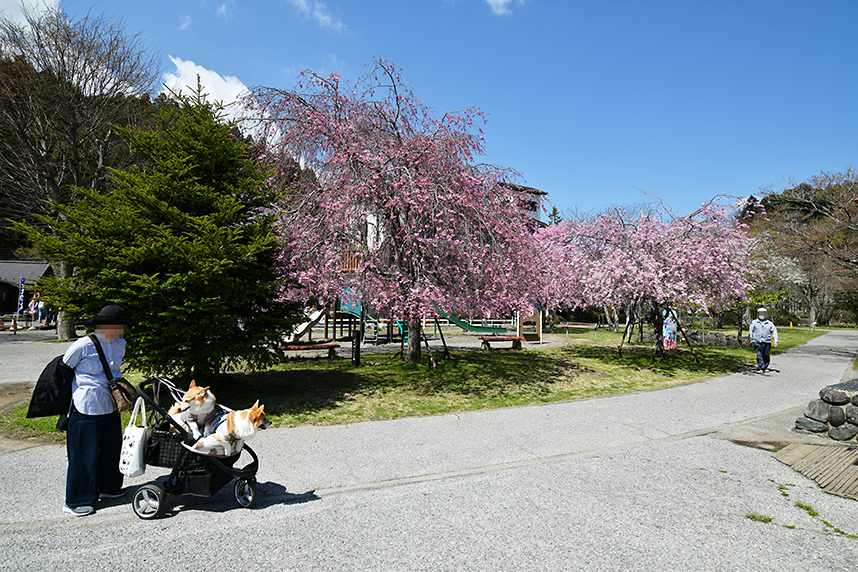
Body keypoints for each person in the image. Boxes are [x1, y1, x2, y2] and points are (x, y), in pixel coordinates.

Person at [62, 304, 130, 516]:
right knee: (84, 453)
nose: (119, 330)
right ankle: (77, 499)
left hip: (111, 403)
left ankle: (109, 486)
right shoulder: (83, 344)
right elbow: (64, 367)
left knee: (111, 448)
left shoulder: (121, 343)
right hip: (86, 404)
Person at [748, 307, 778, 374]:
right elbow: (751, 331)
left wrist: (776, 341)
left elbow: (774, 332)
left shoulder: (769, 323)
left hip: (767, 341)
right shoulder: (754, 322)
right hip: (757, 341)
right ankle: (761, 367)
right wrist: (750, 339)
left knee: (766, 355)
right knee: (759, 355)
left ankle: (765, 366)